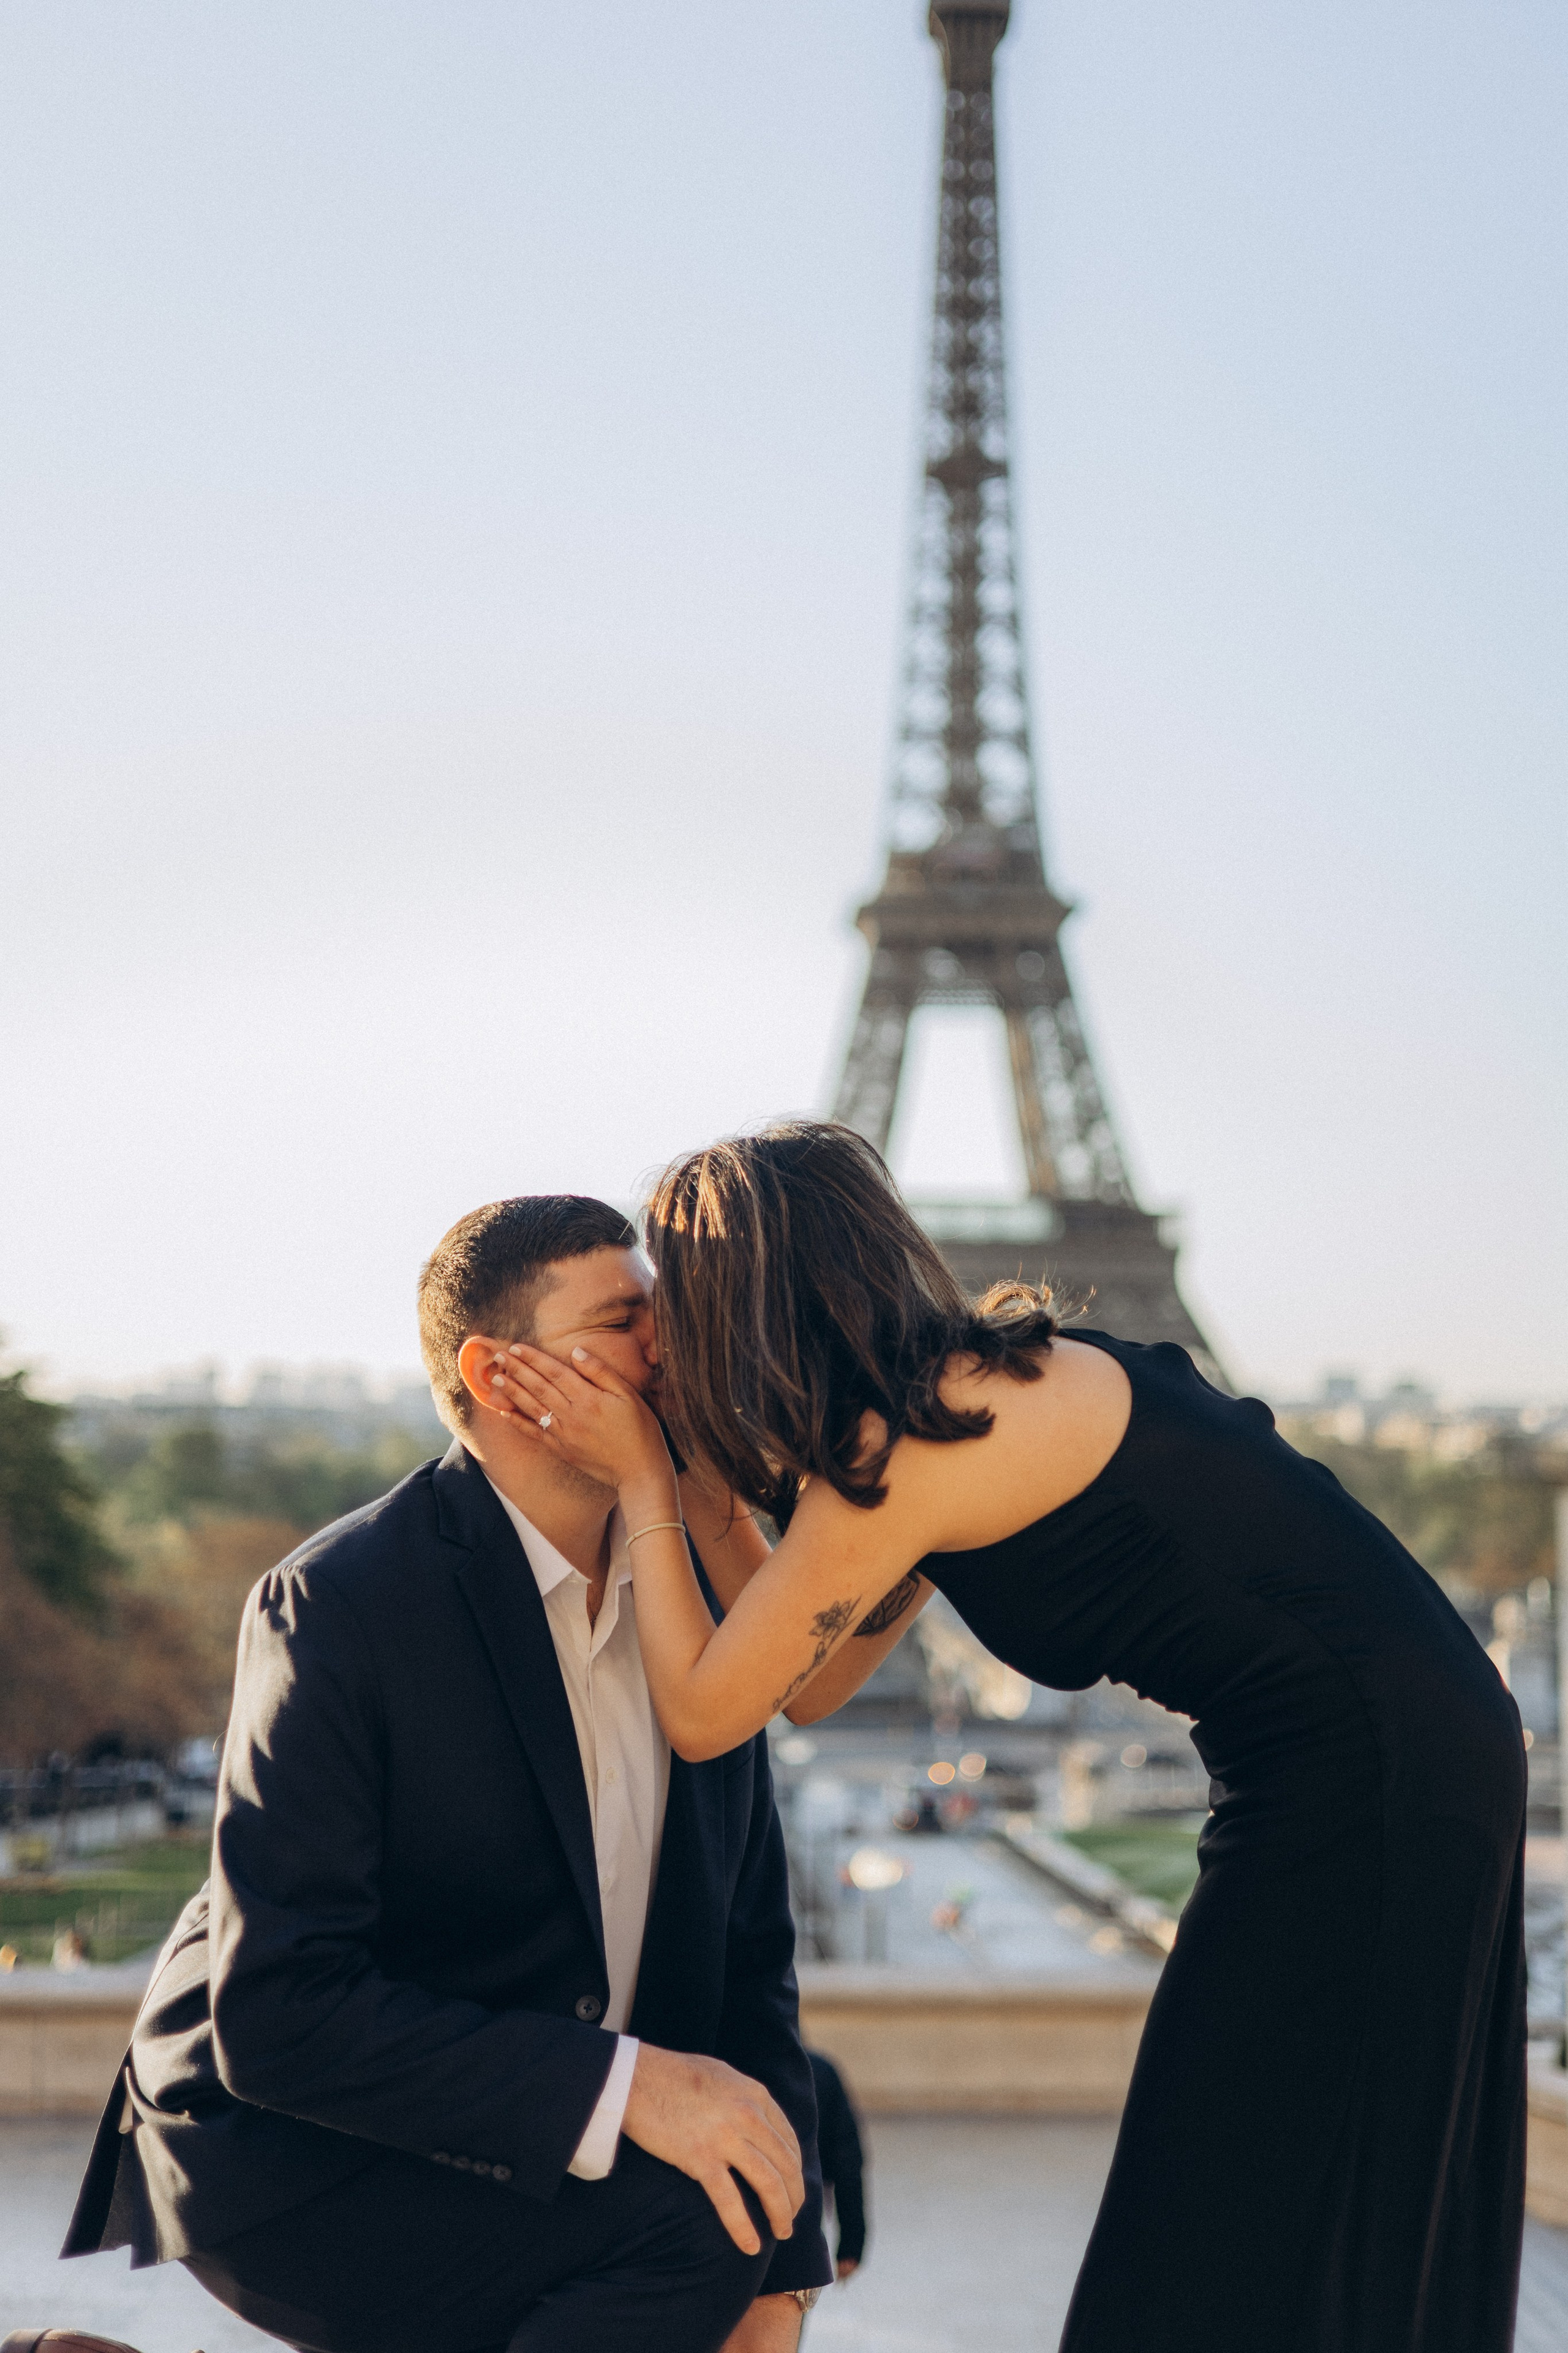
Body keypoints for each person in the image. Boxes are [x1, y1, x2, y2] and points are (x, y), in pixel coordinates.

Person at [489, 1121, 1528, 2353]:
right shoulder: (958, 1401)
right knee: (1287, 2165)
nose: (659, 1332)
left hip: (1368, 1777)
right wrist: (712, 1492)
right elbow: (812, 1683)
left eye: (674, 1293)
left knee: (1233, 2169)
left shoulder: (916, 1447)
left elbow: (710, 1713)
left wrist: (650, 1489)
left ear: (740, 1300)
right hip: (1393, 1753)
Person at [60, 1195, 831, 2353]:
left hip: (531, 2120)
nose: (674, 1350)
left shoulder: (706, 1616)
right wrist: (634, 2089)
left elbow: (752, 1968)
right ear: (501, 1374)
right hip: (299, 2149)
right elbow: (280, 2018)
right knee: (691, 2233)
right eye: (629, 1321)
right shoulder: (342, 1604)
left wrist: (791, 2267)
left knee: (740, 2235)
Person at [805, 2050, 866, 2281]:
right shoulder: (818, 2070)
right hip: (798, 2219)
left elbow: (847, 2160)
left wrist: (851, 2242)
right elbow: (848, 2162)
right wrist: (852, 2244)